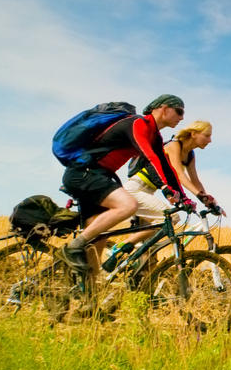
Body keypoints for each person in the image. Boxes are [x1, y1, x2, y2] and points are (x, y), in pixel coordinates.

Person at [58, 94, 191, 271]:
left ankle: (87, 293)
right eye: (179, 111)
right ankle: (73, 247)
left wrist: (183, 197)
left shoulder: (155, 135)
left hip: (99, 176)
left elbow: (167, 167)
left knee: (99, 240)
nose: (182, 117)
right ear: (164, 108)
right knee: (128, 205)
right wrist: (166, 189)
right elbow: (151, 158)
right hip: (84, 173)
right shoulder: (138, 124)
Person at [108, 120, 221, 266]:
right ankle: (120, 248)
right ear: (193, 133)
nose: (210, 140)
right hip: (136, 188)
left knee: (149, 248)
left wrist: (209, 200)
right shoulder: (174, 145)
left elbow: (195, 181)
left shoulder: (190, 155)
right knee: (172, 218)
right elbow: (178, 174)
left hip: (149, 191)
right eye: (207, 135)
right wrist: (195, 197)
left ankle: (138, 277)